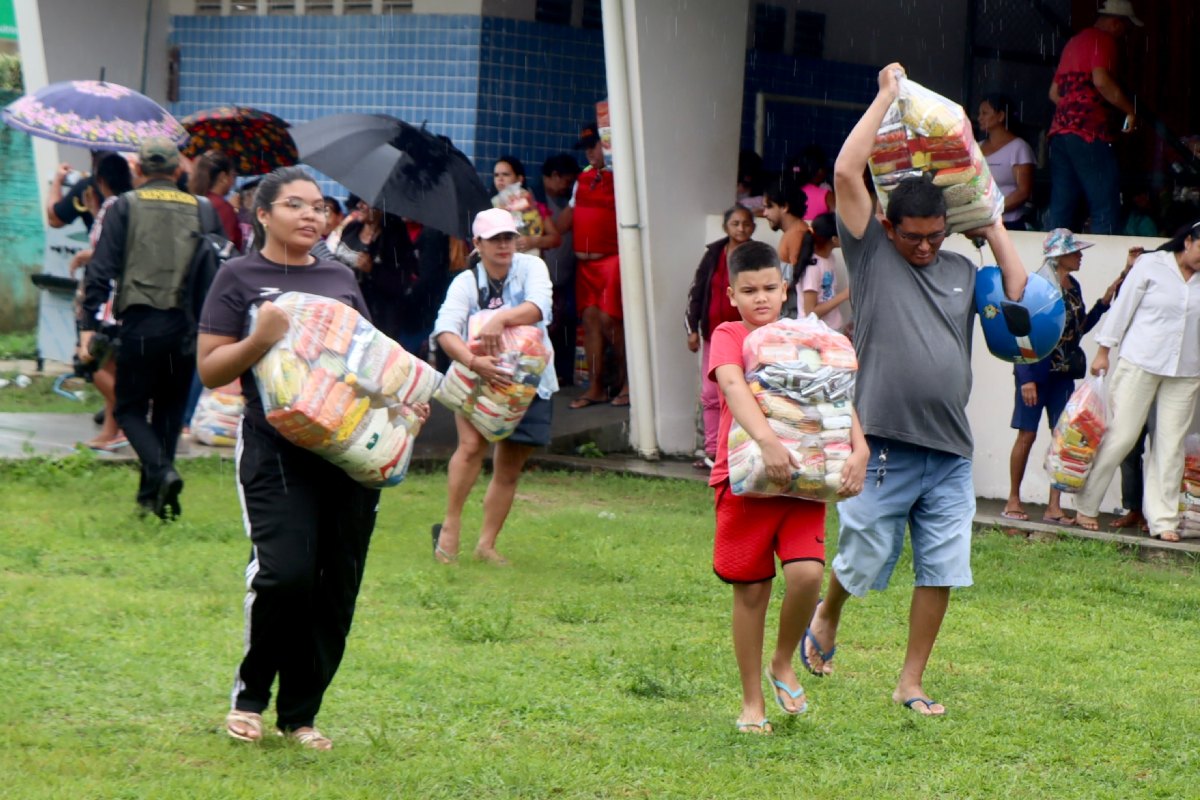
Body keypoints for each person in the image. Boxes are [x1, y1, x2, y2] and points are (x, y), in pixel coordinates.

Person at [806, 63, 1028, 716]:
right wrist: (884, 98)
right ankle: (830, 611)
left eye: (935, 236)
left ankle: (911, 681)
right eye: (914, 238)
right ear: (889, 228)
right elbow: (848, 174)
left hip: (949, 451)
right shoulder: (872, 258)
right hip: (881, 445)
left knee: (942, 566)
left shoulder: (963, 268)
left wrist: (990, 227)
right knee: (866, 554)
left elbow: (1016, 296)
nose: (926, 247)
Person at [196, 166, 413, 751]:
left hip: (347, 453)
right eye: (295, 205)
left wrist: (400, 404)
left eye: (319, 206)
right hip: (277, 450)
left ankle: (301, 714)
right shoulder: (239, 277)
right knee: (285, 572)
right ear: (262, 214)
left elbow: (369, 359)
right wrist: (260, 338)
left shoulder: (341, 277)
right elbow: (212, 367)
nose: (311, 215)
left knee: (336, 583)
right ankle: (250, 697)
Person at [707, 239, 868, 733]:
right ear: (733, 294)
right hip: (745, 479)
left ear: (785, 289)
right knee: (751, 591)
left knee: (806, 576)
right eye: (749, 290)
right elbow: (733, 384)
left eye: (770, 288)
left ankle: (782, 659)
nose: (760, 298)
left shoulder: (806, 336)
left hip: (804, 479)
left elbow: (832, 398)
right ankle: (751, 702)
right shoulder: (729, 333)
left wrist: (859, 449)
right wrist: (766, 441)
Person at [80, 136, 225, 520]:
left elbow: (100, 269)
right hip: (190, 327)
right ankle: (154, 503)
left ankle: (161, 474)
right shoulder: (203, 208)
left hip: (142, 322)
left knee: (128, 409)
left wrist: (87, 325)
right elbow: (219, 266)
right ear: (178, 171)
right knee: (168, 413)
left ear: (138, 171)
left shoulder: (125, 206)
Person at [430, 208, 558, 565]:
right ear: (478, 244)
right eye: (495, 239)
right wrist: (473, 363)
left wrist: (499, 319)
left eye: (509, 237)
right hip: (479, 377)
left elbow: (538, 308)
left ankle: (486, 544)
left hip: (529, 384)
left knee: (509, 466)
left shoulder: (532, 267)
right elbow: (445, 331)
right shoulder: (466, 282)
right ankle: (450, 527)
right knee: (470, 447)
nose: (504, 245)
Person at [1071, 221, 1200, 540]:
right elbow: (1122, 308)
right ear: (1188, 242)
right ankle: (1086, 506)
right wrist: (1104, 351)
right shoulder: (1151, 265)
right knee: (1121, 435)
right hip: (1140, 361)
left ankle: (1164, 521)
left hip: (1185, 371)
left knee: (1170, 446)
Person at [1002, 229, 1122, 524]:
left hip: (1062, 373)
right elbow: (1020, 331)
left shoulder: (1073, 286)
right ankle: (1013, 498)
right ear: (1059, 255)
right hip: (1037, 371)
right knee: (1027, 434)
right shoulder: (1036, 286)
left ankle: (1053, 505)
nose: (1080, 255)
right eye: (1075, 251)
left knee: (1063, 438)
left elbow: (1077, 329)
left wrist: (1104, 302)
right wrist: (1026, 376)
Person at [1045, 0, 1142, 234]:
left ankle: (1051, 263)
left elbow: (1054, 93)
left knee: (1061, 207)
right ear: (1117, 23)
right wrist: (1130, 110)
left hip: (1060, 133)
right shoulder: (1105, 40)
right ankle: (1105, 264)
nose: (1124, 35)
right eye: (1126, 29)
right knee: (1105, 205)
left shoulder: (1074, 42)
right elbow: (1101, 81)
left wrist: (1072, 111)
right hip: (1089, 133)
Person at [559, 121, 629, 408]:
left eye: (594, 145)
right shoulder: (583, 178)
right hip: (584, 267)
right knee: (590, 322)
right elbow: (567, 218)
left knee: (611, 322)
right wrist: (533, 230)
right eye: (586, 147)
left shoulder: (622, 176)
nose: (589, 152)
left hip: (612, 261)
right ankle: (596, 387)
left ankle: (628, 383)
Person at [71, 153, 134, 451]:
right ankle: (112, 431)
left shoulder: (112, 207)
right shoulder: (130, 206)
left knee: (94, 364)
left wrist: (87, 256)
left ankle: (134, 415)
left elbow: (105, 255)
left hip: (108, 299)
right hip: (126, 297)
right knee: (112, 366)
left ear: (101, 180)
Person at [684, 204, 755, 469]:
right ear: (726, 227)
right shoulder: (714, 254)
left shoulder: (756, 255)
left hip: (746, 337)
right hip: (713, 335)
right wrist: (691, 329)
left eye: (746, 224)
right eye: (735, 223)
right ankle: (713, 451)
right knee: (711, 394)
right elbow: (697, 292)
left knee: (743, 392)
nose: (741, 229)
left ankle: (737, 450)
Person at [541, 152, 581, 386]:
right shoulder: (534, 201)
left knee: (563, 328)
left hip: (564, 280)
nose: (568, 187)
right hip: (546, 281)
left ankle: (561, 374)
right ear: (554, 176)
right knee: (546, 331)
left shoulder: (565, 200)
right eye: (566, 181)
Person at [978, 92, 1035, 231]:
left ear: (1001, 116)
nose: (979, 118)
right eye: (979, 113)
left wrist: (993, 210)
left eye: (985, 113)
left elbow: (1023, 192)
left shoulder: (1018, 148)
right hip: (978, 223)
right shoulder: (976, 147)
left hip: (1009, 223)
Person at [762, 173, 810, 317]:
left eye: (769, 207)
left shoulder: (797, 234)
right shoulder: (795, 231)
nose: (764, 213)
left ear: (784, 207)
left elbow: (796, 280)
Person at [492, 155, 561, 255]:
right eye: (496, 175)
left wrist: (533, 241)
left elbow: (555, 239)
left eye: (506, 174)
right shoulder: (489, 206)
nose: (500, 179)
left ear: (519, 179)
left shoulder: (534, 206)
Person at [798, 212, 848, 331]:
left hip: (830, 329)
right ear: (834, 239)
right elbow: (810, 313)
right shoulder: (813, 267)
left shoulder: (829, 258)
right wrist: (845, 295)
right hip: (815, 333)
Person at [188, 149, 243, 253]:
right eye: (232, 175)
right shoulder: (223, 207)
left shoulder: (192, 200)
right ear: (223, 177)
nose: (233, 180)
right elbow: (227, 248)